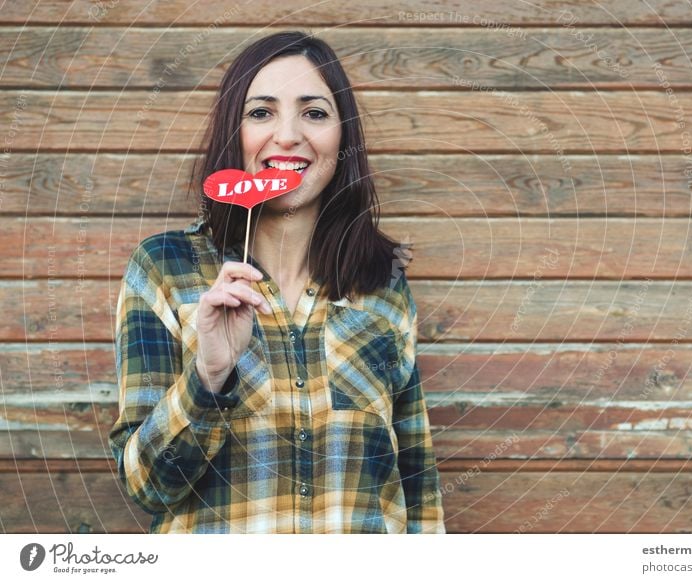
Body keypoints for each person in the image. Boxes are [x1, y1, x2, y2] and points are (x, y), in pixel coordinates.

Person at [108, 31, 445, 533]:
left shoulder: (381, 282)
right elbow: (149, 486)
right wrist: (208, 377)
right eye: (261, 112)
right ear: (232, 132)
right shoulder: (166, 268)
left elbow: (417, 484)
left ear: (343, 137)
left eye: (314, 113)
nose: (287, 136)